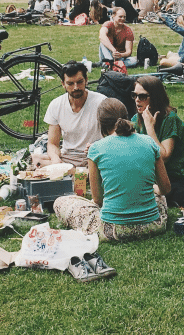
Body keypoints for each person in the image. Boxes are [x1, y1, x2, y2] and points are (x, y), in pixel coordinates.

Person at [52, 99, 170, 243]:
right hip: (152, 225)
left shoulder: (96, 149)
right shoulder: (149, 142)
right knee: (160, 198)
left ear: (101, 124)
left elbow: (97, 200)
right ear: (127, 116)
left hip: (113, 229)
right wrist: (153, 188)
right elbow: (165, 189)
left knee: (60, 202)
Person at [129, 77, 184, 205]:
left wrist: (150, 129)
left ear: (155, 97)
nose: (137, 100)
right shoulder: (136, 119)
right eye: (134, 95)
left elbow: (164, 156)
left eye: (142, 96)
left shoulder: (170, 119)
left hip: (170, 176)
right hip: (147, 175)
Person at [43, 62, 108, 168]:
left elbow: (112, 138)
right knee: (36, 160)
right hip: (68, 157)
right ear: (63, 84)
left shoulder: (101, 102)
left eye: (80, 82)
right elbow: (52, 144)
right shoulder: (56, 105)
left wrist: (97, 149)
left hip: (95, 157)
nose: (76, 87)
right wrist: (55, 160)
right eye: (70, 84)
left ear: (86, 80)